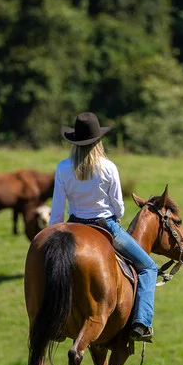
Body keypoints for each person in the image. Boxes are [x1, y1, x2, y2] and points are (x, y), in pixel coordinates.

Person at [48, 112, 158, 343]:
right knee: (149, 267)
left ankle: (55, 321)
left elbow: (57, 210)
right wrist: (115, 217)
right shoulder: (109, 167)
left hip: (73, 224)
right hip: (105, 225)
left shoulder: (62, 168)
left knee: (52, 269)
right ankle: (142, 323)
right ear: (98, 141)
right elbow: (118, 207)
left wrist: (53, 235)